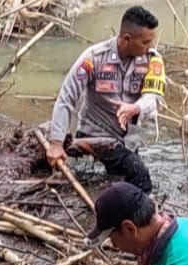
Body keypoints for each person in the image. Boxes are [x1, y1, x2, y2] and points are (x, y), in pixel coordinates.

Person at [46, 6, 164, 193]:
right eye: (145, 42)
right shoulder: (93, 59)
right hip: (95, 138)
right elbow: (67, 97)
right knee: (140, 176)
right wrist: (56, 143)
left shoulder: (152, 60)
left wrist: (136, 107)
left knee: (122, 185)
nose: (150, 47)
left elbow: (154, 97)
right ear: (127, 39)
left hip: (128, 143)